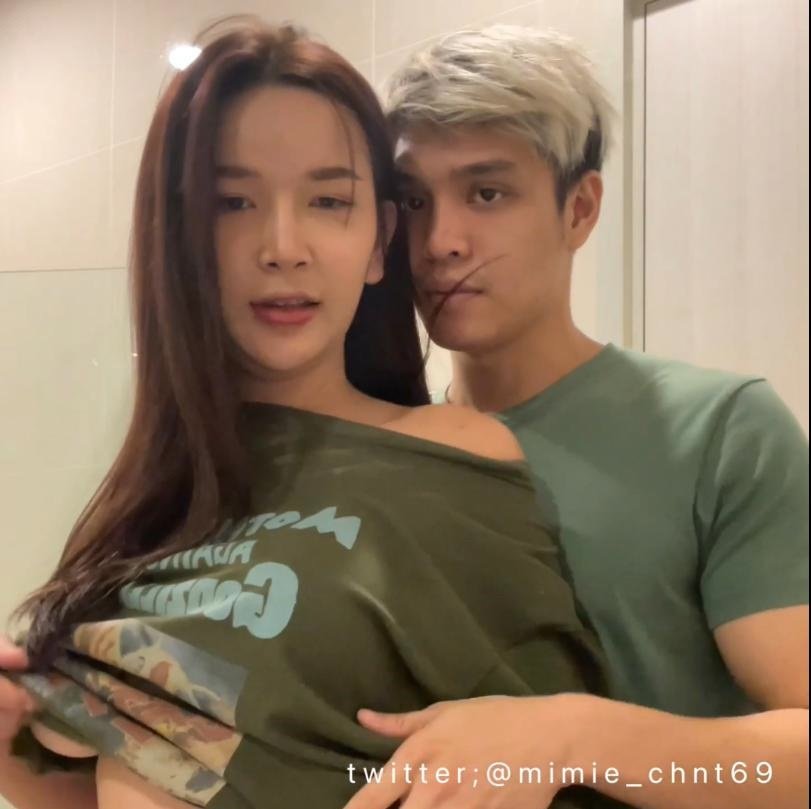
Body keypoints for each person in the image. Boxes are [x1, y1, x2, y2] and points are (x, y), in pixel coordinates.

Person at [0, 18, 625, 809]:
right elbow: (119, 777)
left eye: (329, 200)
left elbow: (538, 767)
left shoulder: (449, 453)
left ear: (379, 241)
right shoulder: (147, 501)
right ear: (179, 235)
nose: (283, 245)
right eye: (233, 202)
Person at [343, 23, 810, 809]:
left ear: (580, 209)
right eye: (414, 200)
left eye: (487, 193)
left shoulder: (719, 430)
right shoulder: (381, 450)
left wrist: (574, 735)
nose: (440, 241)